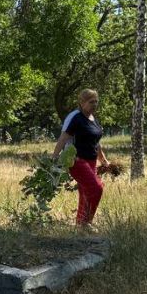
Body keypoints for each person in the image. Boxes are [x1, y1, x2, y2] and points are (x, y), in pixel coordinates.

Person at [53, 88, 110, 227]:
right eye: (91, 102)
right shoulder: (76, 118)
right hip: (77, 161)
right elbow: (63, 138)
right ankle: (86, 223)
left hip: (91, 161)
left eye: (96, 101)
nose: (94, 105)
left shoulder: (93, 119)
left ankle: (81, 225)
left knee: (85, 192)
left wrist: (103, 160)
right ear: (82, 102)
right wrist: (54, 158)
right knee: (96, 188)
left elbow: (96, 142)